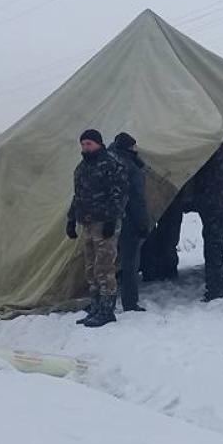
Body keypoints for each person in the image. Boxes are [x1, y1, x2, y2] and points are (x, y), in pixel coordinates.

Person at [66, 129, 127, 327]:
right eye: (83, 144)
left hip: (105, 223)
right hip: (88, 223)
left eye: (89, 144)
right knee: (91, 267)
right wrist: (71, 219)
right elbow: (78, 196)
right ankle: (96, 306)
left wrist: (111, 220)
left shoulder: (111, 164)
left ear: (99, 144)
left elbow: (119, 194)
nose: (85, 148)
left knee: (104, 266)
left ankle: (107, 309)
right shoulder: (82, 168)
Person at [109, 132, 151, 312]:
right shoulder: (131, 167)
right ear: (129, 148)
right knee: (129, 262)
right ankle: (130, 301)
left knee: (103, 262)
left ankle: (103, 301)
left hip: (105, 220)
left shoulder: (106, 162)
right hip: (128, 221)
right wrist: (143, 223)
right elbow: (137, 199)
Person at [190, 145, 223, 301]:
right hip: (219, 209)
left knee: (213, 251)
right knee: (216, 250)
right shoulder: (221, 166)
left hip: (214, 210)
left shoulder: (208, 167)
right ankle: (217, 287)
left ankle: (217, 288)